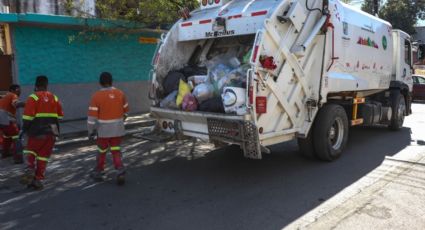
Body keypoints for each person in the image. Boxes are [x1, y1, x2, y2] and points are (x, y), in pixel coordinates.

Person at [20, 76, 64, 190]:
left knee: (30, 151)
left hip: (36, 132)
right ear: (46, 85)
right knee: (43, 157)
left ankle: (29, 168)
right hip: (51, 134)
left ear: (35, 86)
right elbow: (59, 117)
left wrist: (24, 130)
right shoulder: (54, 98)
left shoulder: (33, 97)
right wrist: (56, 134)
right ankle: (38, 180)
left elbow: (27, 118)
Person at [87, 72, 129, 185]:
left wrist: (91, 131)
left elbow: (91, 118)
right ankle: (120, 170)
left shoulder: (96, 96)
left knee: (101, 151)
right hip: (118, 130)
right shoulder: (120, 94)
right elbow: (126, 112)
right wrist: (120, 123)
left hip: (103, 132)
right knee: (116, 151)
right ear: (112, 81)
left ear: (100, 82)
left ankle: (99, 171)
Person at [0, 84, 25, 163]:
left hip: (1, 120)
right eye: (18, 90)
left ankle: (5, 153)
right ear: (13, 90)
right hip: (6, 118)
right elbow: (16, 103)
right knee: (16, 137)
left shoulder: (5, 96)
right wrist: (27, 104)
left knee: (7, 136)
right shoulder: (13, 95)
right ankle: (18, 158)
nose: (20, 91)